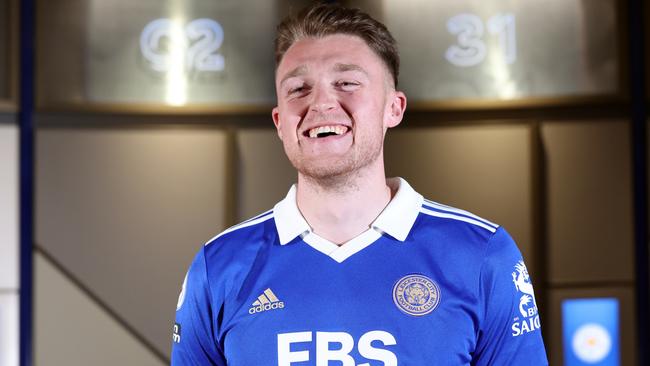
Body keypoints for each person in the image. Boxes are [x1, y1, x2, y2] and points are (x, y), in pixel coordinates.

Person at [171, 3, 548, 365]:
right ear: (279, 122)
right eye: (298, 89)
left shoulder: (482, 254)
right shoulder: (219, 266)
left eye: (347, 82)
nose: (320, 104)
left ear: (394, 108)